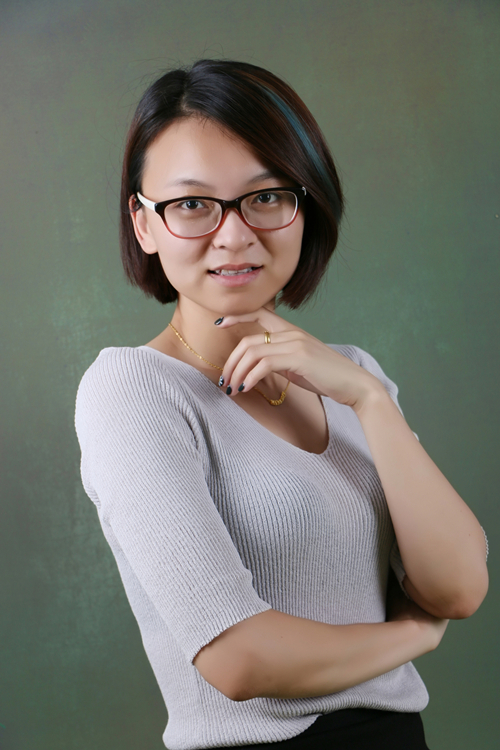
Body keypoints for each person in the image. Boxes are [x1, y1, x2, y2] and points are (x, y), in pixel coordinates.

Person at [74, 59, 489, 750]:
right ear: (143, 225)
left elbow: (459, 587)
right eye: (193, 204)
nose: (235, 235)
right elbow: (238, 659)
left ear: (307, 206)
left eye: (266, 196)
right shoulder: (134, 390)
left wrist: (368, 398)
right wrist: (411, 637)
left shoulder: (353, 373)